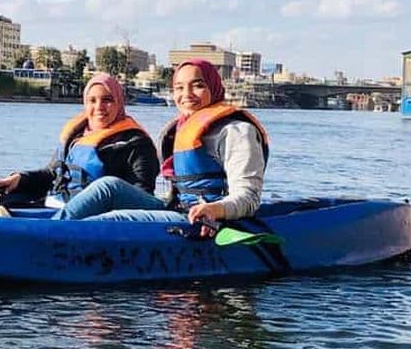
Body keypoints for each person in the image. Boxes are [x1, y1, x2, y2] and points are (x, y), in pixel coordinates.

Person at [57, 58, 269, 235]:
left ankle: (51, 237)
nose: (187, 94)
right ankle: (49, 228)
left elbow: (249, 198)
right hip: (177, 208)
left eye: (198, 85)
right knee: (108, 186)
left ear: (212, 87)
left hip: (207, 218)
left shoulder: (236, 131)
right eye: (179, 88)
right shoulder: (180, 128)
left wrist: (215, 210)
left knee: (113, 219)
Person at [0, 73, 159, 215]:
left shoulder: (136, 143)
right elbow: (52, 174)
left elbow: (140, 195)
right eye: (92, 101)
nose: (99, 107)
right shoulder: (75, 136)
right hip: (57, 203)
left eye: (107, 100)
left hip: (96, 219)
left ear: (119, 102)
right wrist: (20, 178)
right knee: (7, 199)